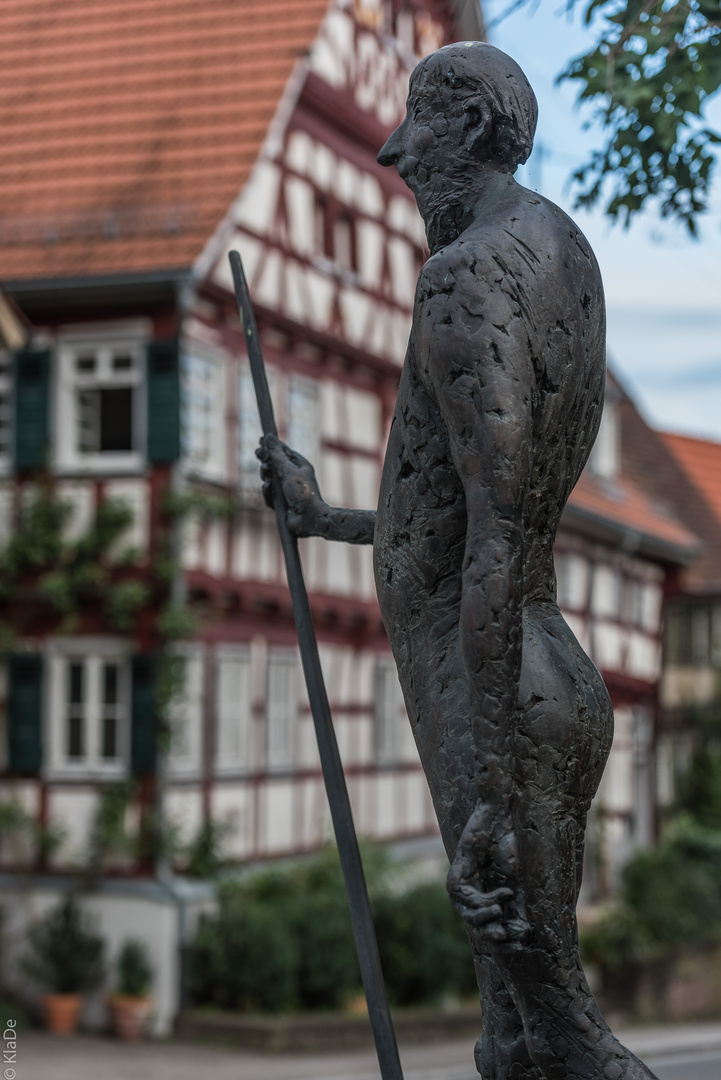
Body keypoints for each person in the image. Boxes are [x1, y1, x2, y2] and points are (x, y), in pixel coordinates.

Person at [258, 41, 657, 1080]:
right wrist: (324, 516)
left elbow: (491, 536)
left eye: (416, 125)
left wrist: (487, 781)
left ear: (474, 130)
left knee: (564, 1043)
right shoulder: (554, 248)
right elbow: (468, 510)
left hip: (492, 696)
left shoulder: (463, 278)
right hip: (542, 666)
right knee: (515, 1046)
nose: (391, 152)